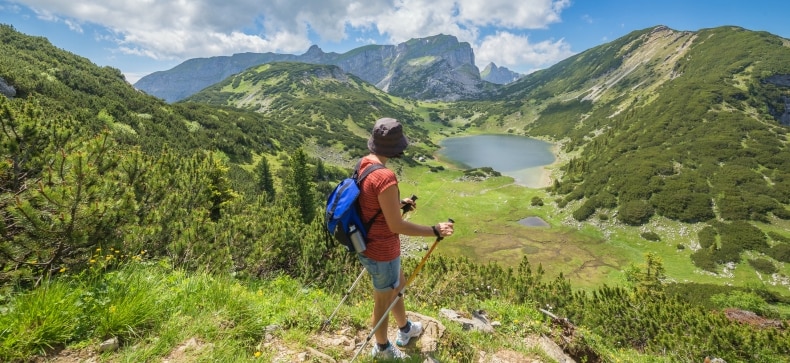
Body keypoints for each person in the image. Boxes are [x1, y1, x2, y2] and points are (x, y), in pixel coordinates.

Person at [356, 117, 454, 359]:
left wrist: (398, 203)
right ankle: (382, 349)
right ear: (395, 147)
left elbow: (370, 202)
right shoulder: (385, 177)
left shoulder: (365, 163)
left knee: (397, 286)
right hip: (382, 251)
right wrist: (434, 230)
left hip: (366, 242)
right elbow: (396, 225)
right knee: (382, 302)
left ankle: (405, 329)